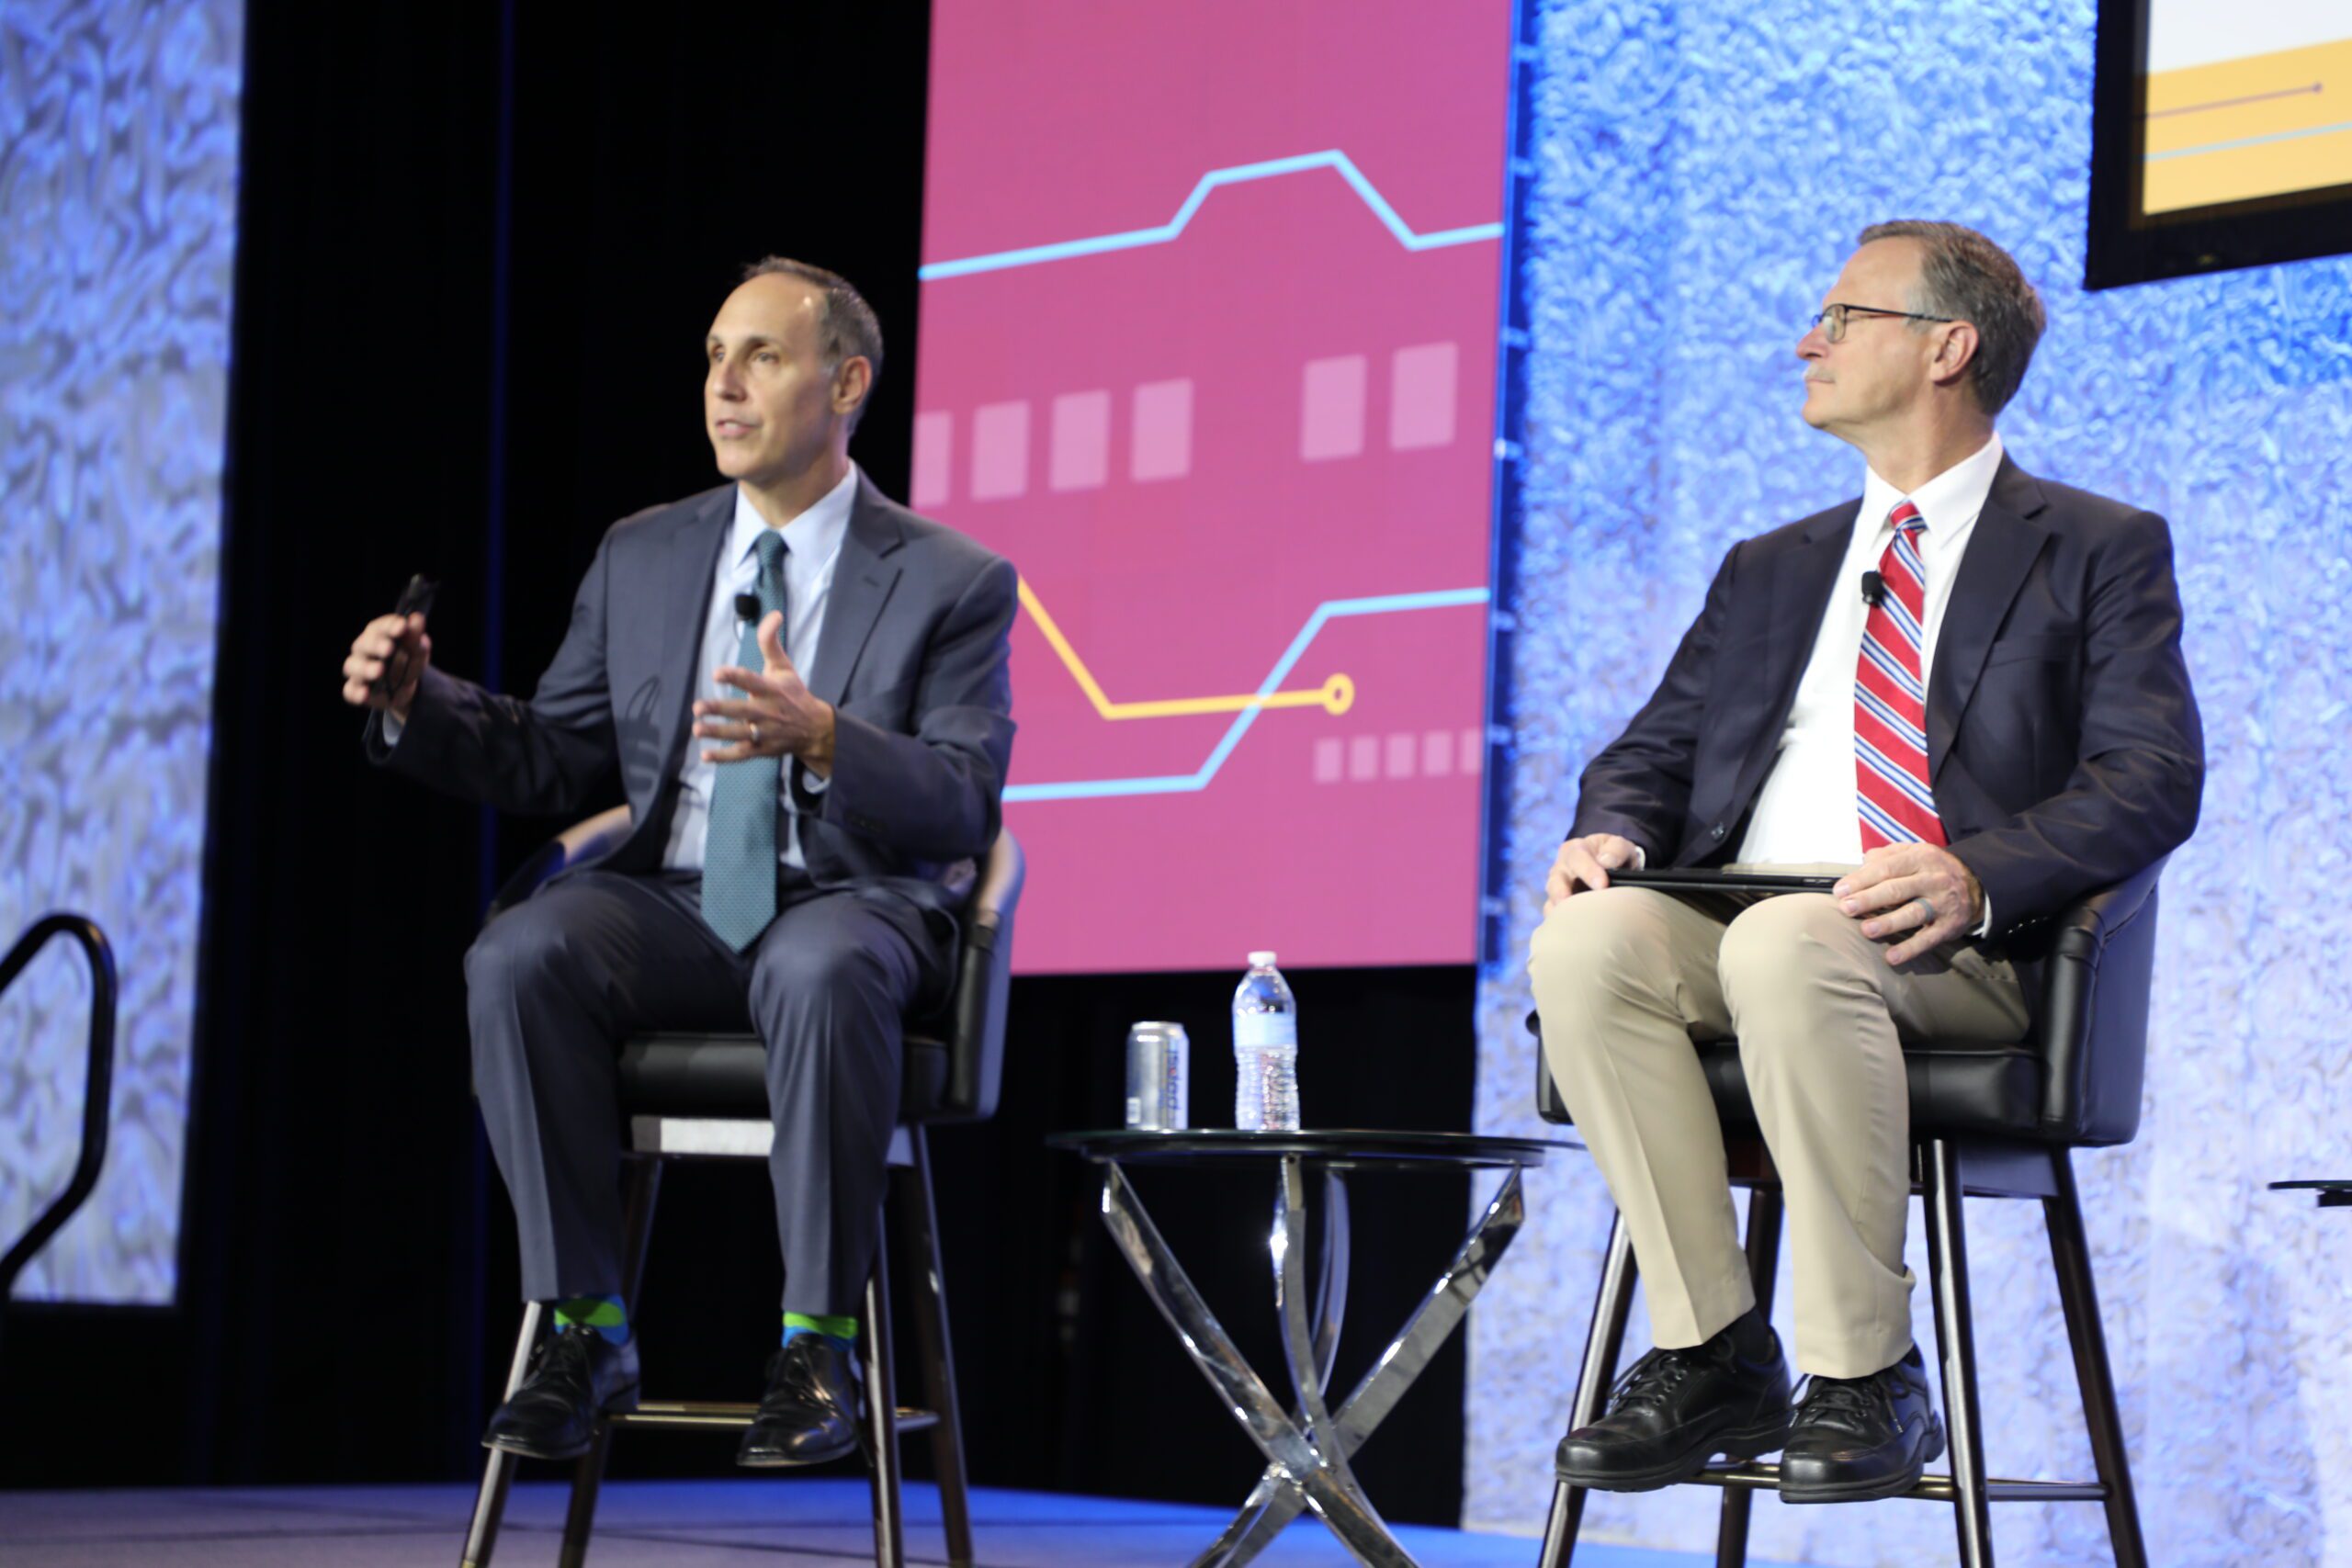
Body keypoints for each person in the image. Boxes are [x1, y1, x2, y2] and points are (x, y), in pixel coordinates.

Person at [1527, 221, 2201, 1502]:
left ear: (1948, 346)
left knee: (1791, 943)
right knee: (1587, 940)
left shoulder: (2096, 548)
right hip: (1741, 920)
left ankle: (1867, 1372)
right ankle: (1712, 1346)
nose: (1807, 341)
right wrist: (1608, 827)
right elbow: (1649, 754)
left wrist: (1975, 869)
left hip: (1957, 948)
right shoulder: (1770, 567)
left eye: (1843, 318)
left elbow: (2152, 777)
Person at [341, 258, 1016, 1466]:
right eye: (714, 356)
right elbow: (554, 759)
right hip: (678, 909)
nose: (724, 384)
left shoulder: (951, 579)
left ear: (846, 382)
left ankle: (819, 1346)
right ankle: (585, 1326)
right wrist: (421, 703)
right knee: (522, 952)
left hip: (851, 906)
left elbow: (964, 802)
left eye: (761, 355)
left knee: (814, 969)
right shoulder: (644, 554)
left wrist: (825, 738)